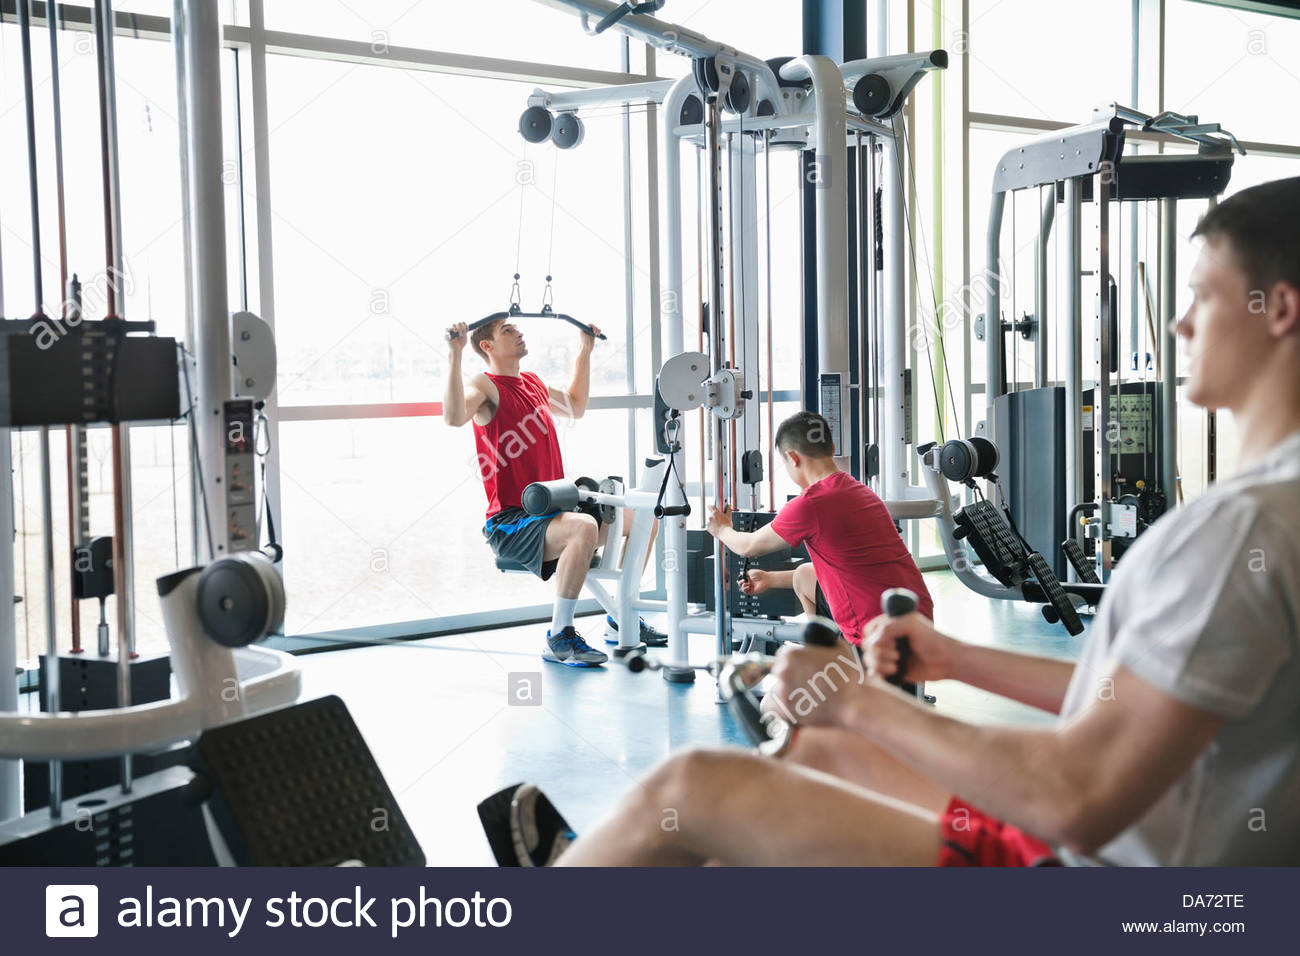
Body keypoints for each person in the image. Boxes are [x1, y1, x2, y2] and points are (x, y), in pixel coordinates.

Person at [543, 176, 1300, 865]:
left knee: (689, 788)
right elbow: (1130, 699)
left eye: (1202, 295)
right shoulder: (1270, 507)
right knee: (815, 755)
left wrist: (855, 698)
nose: (1179, 324)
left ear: (1281, 310)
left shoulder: (1244, 531)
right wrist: (955, 659)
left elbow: (1076, 800)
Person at [443, 318, 665, 668]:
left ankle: (619, 615)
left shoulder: (532, 381)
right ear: (487, 346)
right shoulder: (484, 386)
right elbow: (455, 416)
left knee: (643, 522)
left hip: (552, 509)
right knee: (584, 528)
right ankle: (559, 636)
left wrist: (585, 350)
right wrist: (455, 354)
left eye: (516, 329)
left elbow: (575, 405)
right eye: (508, 331)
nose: (519, 334)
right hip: (512, 522)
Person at [706, 410, 933, 642]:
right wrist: (770, 578)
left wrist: (721, 529)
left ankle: (839, 655)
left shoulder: (811, 503)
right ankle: (825, 653)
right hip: (917, 614)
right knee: (804, 575)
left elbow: (748, 546)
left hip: (880, 632)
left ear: (793, 458)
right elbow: (846, 571)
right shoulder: (859, 490)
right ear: (832, 448)